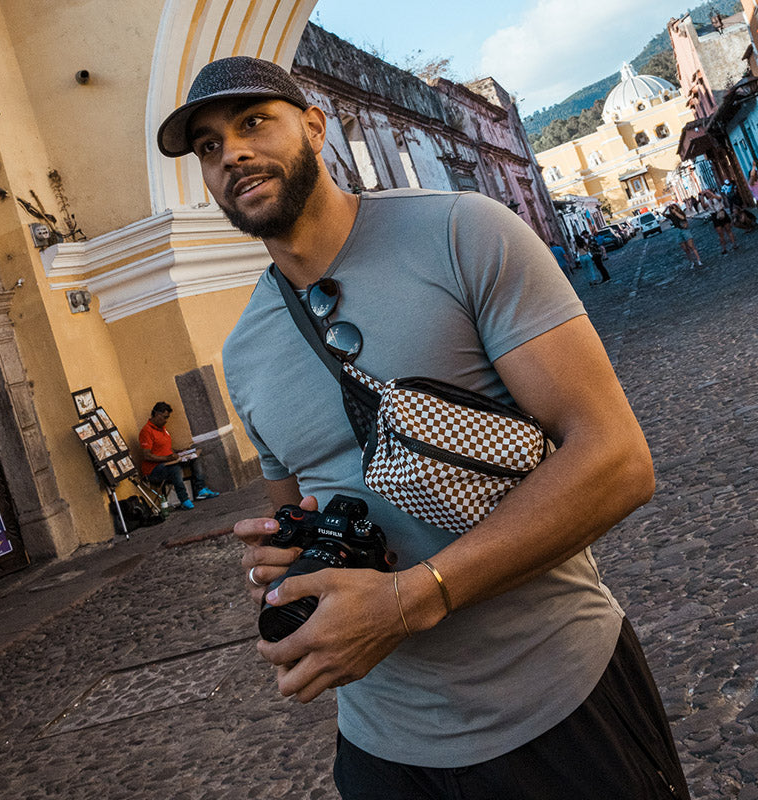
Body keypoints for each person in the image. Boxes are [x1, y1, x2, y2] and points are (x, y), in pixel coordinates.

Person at [157, 57, 690, 799]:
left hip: (557, 704)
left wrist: (413, 598)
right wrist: (285, 566)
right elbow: (300, 526)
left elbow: (618, 461)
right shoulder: (244, 353)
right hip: (383, 749)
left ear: (314, 126)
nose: (231, 153)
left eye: (253, 123)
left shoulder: (463, 232)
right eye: (209, 147)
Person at [138, 401, 219, 509]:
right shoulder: (146, 431)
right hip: (154, 469)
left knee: (195, 458)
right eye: (165, 417)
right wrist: (167, 458)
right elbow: (147, 455)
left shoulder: (163, 429)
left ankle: (201, 490)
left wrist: (180, 452)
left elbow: (165, 448)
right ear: (157, 414)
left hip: (170, 460)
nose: (166, 421)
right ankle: (184, 500)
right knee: (175, 469)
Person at [701, 188, 737, 254]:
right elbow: (703, 206)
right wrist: (702, 196)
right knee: (720, 233)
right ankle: (724, 248)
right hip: (715, 215)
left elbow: (719, 199)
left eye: (708, 193)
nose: (707, 194)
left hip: (722, 212)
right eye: (706, 193)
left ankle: (734, 244)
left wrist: (711, 193)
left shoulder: (717, 196)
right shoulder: (707, 201)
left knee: (728, 229)